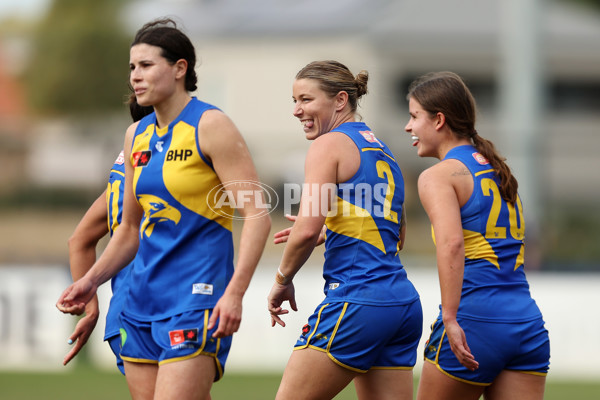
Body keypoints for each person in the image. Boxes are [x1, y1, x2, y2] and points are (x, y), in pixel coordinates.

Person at [57, 18, 271, 399]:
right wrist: (91, 281)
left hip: (196, 297)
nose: (135, 77)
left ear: (179, 69)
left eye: (145, 66)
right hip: (139, 300)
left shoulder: (211, 125)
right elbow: (127, 231)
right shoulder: (135, 135)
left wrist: (235, 292)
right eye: (131, 68)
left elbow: (257, 217)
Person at [267, 60, 422, 400]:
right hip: (401, 304)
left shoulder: (328, 144)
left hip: (358, 298)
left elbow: (306, 231)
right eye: (294, 101)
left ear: (340, 100)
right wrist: (337, 228)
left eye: (306, 100)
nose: (297, 110)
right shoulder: (383, 151)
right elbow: (396, 234)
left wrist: (282, 281)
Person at [404, 71, 549, 400]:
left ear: (438, 120)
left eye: (414, 116)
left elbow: (452, 244)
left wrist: (451, 318)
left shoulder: (438, 176)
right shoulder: (499, 170)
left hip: (474, 321)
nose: (408, 127)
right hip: (525, 325)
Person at [62, 94, 153, 373]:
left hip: (128, 311)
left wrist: (92, 309)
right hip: (154, 307)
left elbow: (79, 240)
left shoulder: (123, 166)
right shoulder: (164, 167)